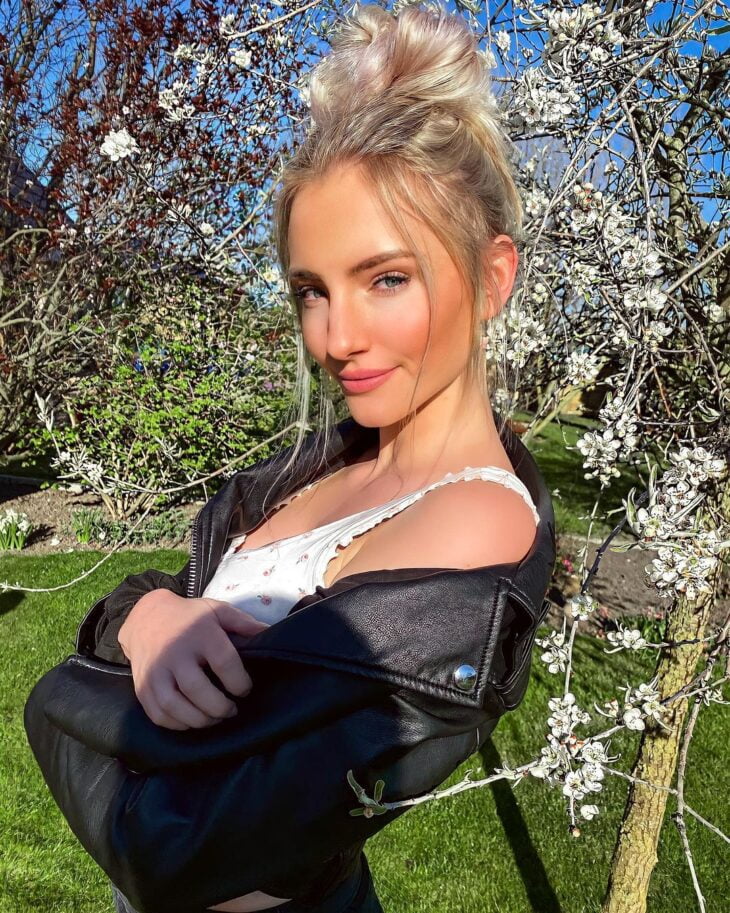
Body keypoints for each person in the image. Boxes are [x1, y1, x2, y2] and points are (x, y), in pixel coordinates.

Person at [108, 3, 544, 911]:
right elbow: (166, 603)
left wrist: (126, 653)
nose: (336, 338)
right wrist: (145, 614)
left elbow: (205, 806)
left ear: (493, 277)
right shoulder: (328, 468)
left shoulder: (474, 517)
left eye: (387, 278)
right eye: (313, 289)